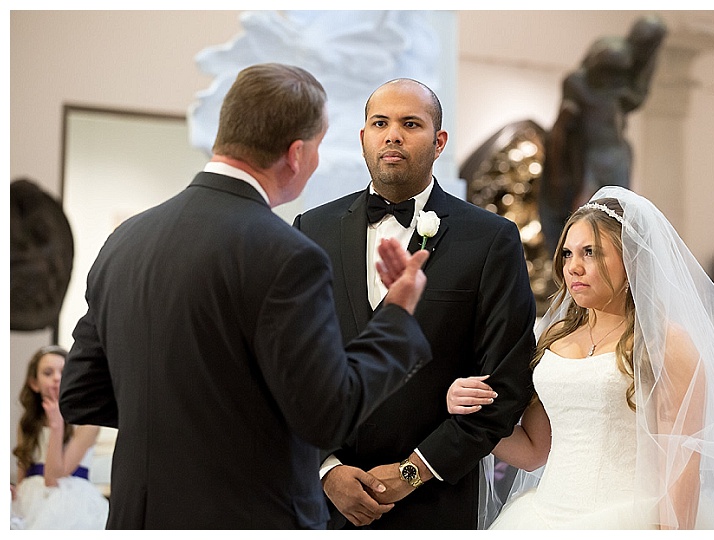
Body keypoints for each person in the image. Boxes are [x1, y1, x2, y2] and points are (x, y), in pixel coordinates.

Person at [58, 63, 434, 529]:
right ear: (296, 154)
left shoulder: (126, 239)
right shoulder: (288, 255)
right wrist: (397, 313)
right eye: (318, 148)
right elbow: (329, 416)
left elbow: (79, 394)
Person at [447, 186, 714, 529]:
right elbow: (532, 452)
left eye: (591, 252)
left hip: (629, 519)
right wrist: (471, 415)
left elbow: (682, 465)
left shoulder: (665, 342)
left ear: (630, 257)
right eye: (567, 254)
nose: (574, 267)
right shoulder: (554, 337)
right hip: (541, 518)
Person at [293, 78, 536, 529]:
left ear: (439, 141)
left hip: (438, 501)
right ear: (363, 136)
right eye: (379, 123)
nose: (393, 135)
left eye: (411, 123)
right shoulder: (311, 229)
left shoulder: (489, 240)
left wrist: (413, 472)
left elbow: (506, 382)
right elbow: (289, 365)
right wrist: (326, 470)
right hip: (324, 504)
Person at [539, 16, 667, 255]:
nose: (615, 81)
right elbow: (560, 136)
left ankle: (605, 262)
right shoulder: (579, 86)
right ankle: (577, 260)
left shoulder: (620, 91)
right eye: (610, 74)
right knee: (583, 217)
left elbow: (637, 94)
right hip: (589, 158)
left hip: (614, 155)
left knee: (614, 220)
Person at [11, 345, 109, 529]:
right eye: (48, 373)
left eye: (63, 372)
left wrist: (57, 425)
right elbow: (23, 474)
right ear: (34, 383)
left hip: (68, 498)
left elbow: (53, 479)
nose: (56, 378)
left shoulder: (87, 423)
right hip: (29, 499)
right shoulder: (28, 423)